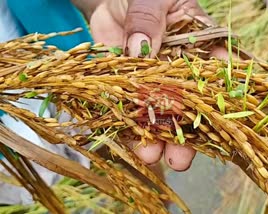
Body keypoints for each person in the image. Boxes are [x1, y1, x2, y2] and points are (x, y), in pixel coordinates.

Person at [2, 0, 231, 173]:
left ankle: (160, 202)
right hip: (11, 125)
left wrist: (101, 2)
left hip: (75, 64)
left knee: (125, 144)